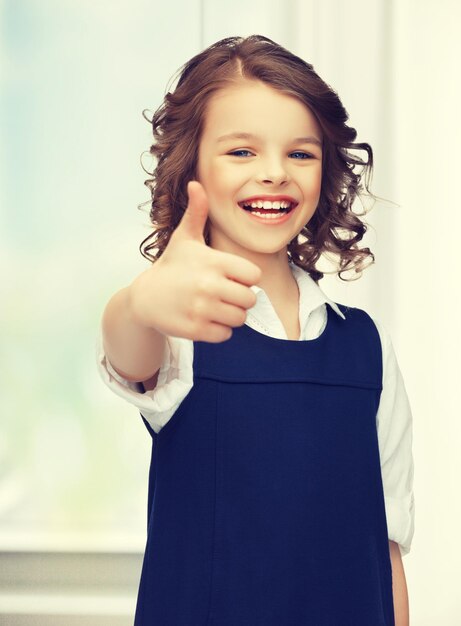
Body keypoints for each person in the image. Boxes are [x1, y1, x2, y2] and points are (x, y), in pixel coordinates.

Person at [97, 35, 415, 626]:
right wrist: (139, 303)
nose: (274, 173)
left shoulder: (367, 349)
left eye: (301, 154)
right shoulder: (175, 327)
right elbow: (127, 352)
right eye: (241, 151)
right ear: (190, 166)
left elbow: (387, 545)